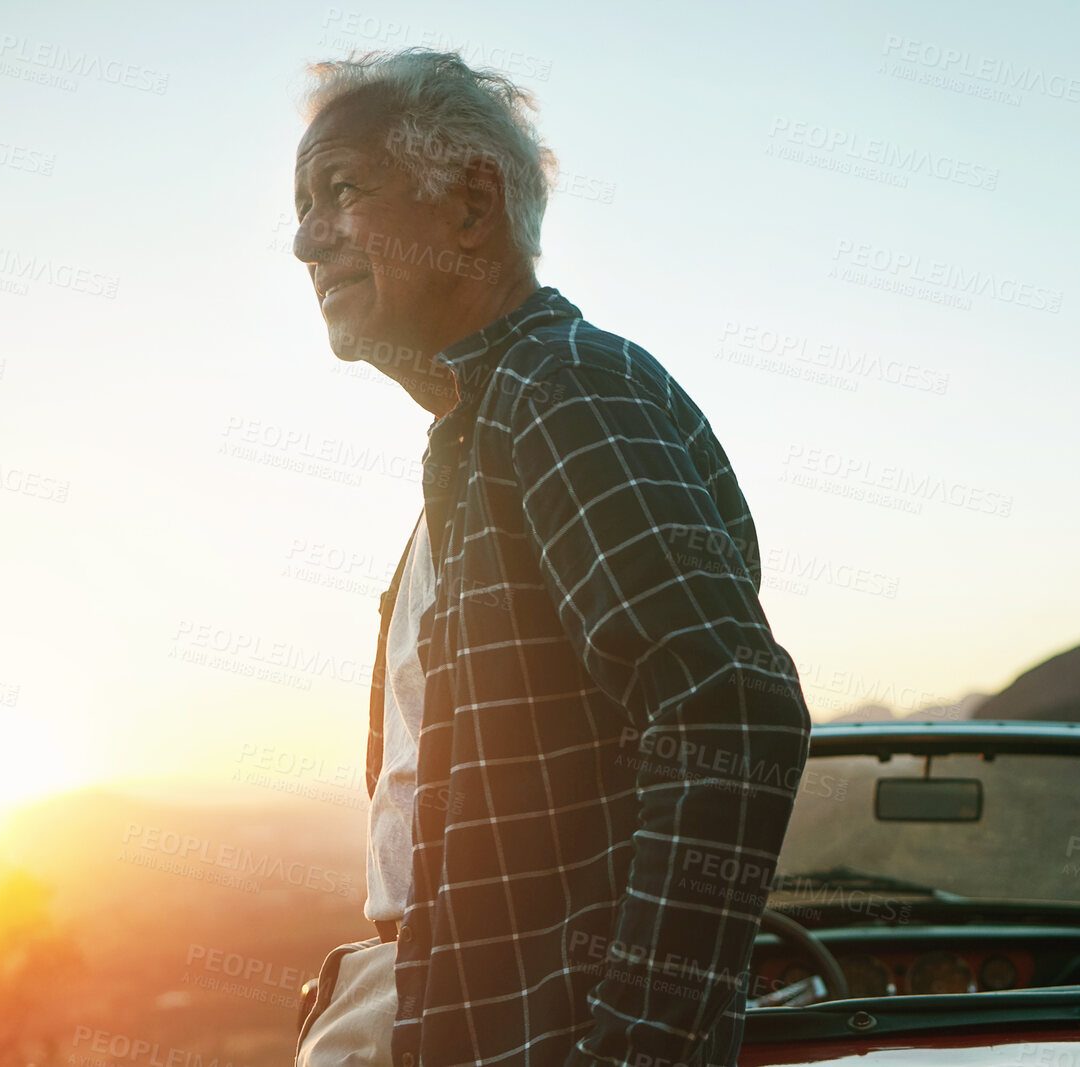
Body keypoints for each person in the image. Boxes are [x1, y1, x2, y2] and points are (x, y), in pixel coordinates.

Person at [287, 48, 813, 1067]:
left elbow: (730, 712)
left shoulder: (565, 388)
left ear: (472, 202)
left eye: (338, 191)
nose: (305, 239)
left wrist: (633, 1047)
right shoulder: (482, 436)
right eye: (302, 204)